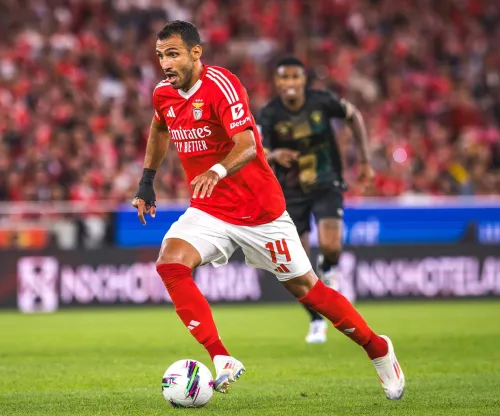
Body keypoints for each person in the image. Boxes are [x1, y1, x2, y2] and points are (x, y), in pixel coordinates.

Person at [133, 21, 404, 399]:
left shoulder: (221, 85)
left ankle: (378, 349)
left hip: (259, 212)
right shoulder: (163, 93)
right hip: (209, 210)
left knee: (308, 290)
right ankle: (221, 358)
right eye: (161, 55)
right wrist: (147, 180)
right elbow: (160, 128)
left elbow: (247, 143)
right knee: (170, 262)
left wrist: (216, 169)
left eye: (173, 53)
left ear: (196, 53)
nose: (165, 63)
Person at [256, 56, 374, 344]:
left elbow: (354, 116)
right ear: (278, 82)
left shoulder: (322, 101)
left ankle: (329, 267)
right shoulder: (269, 113)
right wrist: (274, 155)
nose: (291, 83)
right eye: (285, 78)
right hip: (289, 193)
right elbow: (255, 149)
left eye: (296, 77)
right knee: (298, 265)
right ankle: (315, 321)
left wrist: (365, 161)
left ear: (304, 80)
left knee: (331, 246)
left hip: (325, 183)